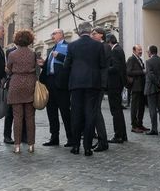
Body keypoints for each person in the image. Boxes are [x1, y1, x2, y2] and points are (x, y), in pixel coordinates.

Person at [64, 21, 107, 156]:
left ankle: (76, 146)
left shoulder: (72, 46)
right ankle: (87, 147)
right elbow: (103, 64)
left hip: (76, 84)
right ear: (90, 31)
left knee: (76, 114)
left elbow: (66, 65)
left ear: (79, 31)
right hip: (92, 84)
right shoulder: (98, 46)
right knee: (90, 114)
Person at [7, 29, 39, 153]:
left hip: (16, 84)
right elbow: (36, 68)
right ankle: (31, 145)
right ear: (30, 40)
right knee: (30, 117)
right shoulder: (33, 53)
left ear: (17, 40)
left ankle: (17, 145)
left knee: (17, 117)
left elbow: (9, 70)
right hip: (30, 84)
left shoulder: (12, 54)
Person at [39, 28, 72, 147]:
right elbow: (51, 65)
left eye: (54, 33)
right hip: (50, 82)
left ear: (61, 34)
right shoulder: (52, 48)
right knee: (51, 112)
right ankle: (54, 137)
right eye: (51, 33)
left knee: (65, 112)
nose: (52, 35)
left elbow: (70, 61)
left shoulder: (68, 46)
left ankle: (71, 138)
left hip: (62, 84)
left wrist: (59, 56)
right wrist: (43, 64)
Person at [89, 26, 110, 152]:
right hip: (95, 82)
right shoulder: (99, 46)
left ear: (101, 35)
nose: (92, 35)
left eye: (94, 33)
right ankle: (100, 140)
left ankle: (103, 141)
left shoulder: (104, 46)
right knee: (94, 111)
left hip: (99, 83)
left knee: (96, 111)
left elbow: (101, 65)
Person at [106, 34, 127, 143]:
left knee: (115, 110)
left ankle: (118, 135)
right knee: (118, 110)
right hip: (118, 83)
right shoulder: (119, 49)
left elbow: (115, 67)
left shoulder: (115, 50)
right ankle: (122, 135)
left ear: (109, 41)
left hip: (114, 84)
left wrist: (105, 68)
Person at [143, 45, 160, 136]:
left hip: (152, 88)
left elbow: (150, 75)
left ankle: (154, 129)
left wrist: (159, 84)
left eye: (147, 51)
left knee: (152, 110)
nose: (147, 53)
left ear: (150, 52)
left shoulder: (148, 61)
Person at [126, 44, 148, 133]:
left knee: (141, 107)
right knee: (134, 107)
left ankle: (140, 124)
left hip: (142, 87)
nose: (141, 51)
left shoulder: (140, 60)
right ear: (134, 50)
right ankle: (134, 126)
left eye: (141, 49)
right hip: (135, 87)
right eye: (139, 50)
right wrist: (142, 72)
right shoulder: (131, 59)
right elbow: (128, 71)